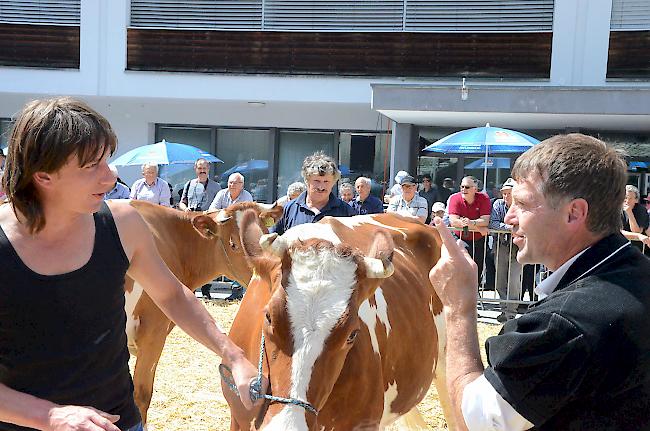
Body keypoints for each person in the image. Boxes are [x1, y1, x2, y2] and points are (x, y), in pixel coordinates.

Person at [0, 97, 264, 431]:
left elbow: (173, 295)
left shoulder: (123, 224)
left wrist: (234, 355)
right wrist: (48, 415)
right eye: (91, 166)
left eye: (107, 160)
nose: (110, 177)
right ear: (43, 176)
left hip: (119, 421)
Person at [429, 133, 650, 430]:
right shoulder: (635, 273)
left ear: (574, 213)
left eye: (522, 204)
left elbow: (475, 422)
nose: (508, 218)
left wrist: (458, 308)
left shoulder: (563, 324)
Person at [271, 151, 356, 235]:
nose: (321, 187)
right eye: (317, 181)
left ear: (333, 183)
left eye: (326, 181)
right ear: (306, 181)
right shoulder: (288, 209)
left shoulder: (346, 212)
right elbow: (272, 243)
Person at [208, 172, 253, 300]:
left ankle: (236, 290)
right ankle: (207, 287)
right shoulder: (222, 194)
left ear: (242, 185)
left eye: (235, 183)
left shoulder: (247, 196)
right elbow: (212, 210)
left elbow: (246, 217)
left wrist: (225, 214)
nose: (232, 185)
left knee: (239, 258)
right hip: (222, 231)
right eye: (230, 182)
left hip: (240, 232)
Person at [487, 178, 524, 322]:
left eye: (509, 193)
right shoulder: (497, 204)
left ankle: (511, 312)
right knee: (500, 280)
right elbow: (493, 223)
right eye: (504, 193)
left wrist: (511, 228)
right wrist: (511, 228)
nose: (505, 196)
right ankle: (504, 309)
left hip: (517, 246)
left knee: (514, 280)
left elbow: (522, 225)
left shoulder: (521, 207)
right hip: (501, 246)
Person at [447, 176, 491, 284]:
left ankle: (474, 297)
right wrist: (477, 227)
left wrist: (469, 223)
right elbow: (454, 222)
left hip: (479, 240)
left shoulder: (484, 198)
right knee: (461, 266)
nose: (463, 189)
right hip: (460, 238)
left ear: (475, 189)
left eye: (467, 187)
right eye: (461, 186)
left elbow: (485, 221)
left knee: (477, 268)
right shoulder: (454, 198)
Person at [620, 184, 650, 251]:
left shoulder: (641, 210)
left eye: (630, 198)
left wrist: (629, 213)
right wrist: (637, 236)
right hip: (620, 247)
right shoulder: (616, 210)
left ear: (636, 200)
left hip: (637, 248)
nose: (627, 201)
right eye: (625, 198)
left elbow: (637, 231)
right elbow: (618, 231)